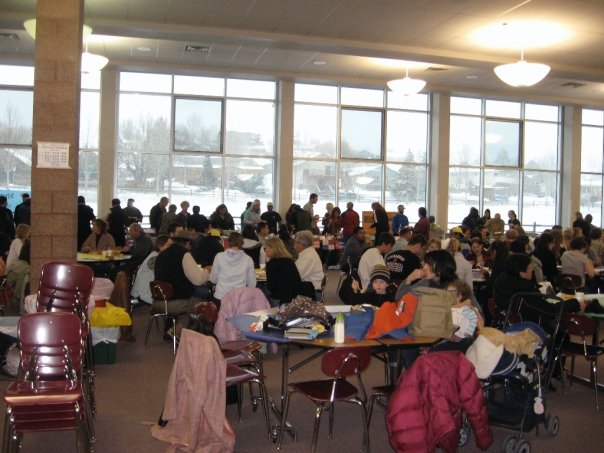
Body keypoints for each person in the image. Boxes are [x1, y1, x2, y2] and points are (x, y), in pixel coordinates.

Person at [494, 253, 584, 318]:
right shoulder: (526, 291)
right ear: (522, 273)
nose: (532, 270)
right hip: (532, 327)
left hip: (509, 322)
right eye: (529, 268)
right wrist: (575, 303)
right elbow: (550, 311)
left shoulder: (500, 282)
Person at [154, 230, 211, 331]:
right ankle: (191, 332)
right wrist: (207, 270)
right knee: (206, 299)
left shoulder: (161, 254)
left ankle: (172, 328)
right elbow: (198, 280)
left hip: (159, 300)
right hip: (176, 302)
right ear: (188, 243)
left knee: (193, 294)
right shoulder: (183, 254)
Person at [210, 232, 256, 307]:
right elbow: (252, 284)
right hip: (240, 300)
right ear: (242, 243)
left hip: (221, 297)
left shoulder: (219, 256)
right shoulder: (248, 259)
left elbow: (213, 279)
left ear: (228, 242)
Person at [131, 235, 171, 305]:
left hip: (144, 290)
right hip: (146, 292)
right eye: (168, 245)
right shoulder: (155, 258)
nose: (171, 248)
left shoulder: (155, 255)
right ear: (160, 246)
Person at [264, 237, 303, 307]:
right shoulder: (290, 261)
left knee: (260, 290)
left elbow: (271, 286)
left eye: (265, 248)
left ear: (271, 248)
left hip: (279, 298)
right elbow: (298, 280)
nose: (265, 250)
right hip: (293, 297)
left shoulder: (271, 264)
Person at [294, 230, 324, 300]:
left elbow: (296, 275)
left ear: (302, 244)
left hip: (312, 292)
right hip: (310, 288)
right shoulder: (308, 252)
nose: (294, 245)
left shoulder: (307, 257)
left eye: (296, 242)